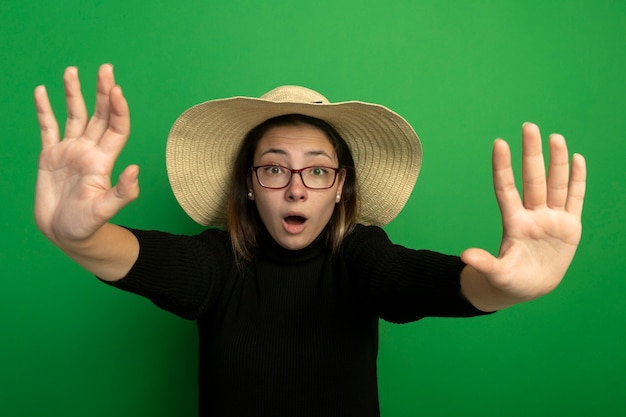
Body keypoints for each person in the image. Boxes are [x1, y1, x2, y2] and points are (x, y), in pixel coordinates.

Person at [34, 64, 587, 417]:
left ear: (340, 185)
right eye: (274, 170)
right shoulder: (216, 262)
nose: (296, 190)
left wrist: (504, 289)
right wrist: (77, 238)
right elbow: (140, 257)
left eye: (317, 171)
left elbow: (410, 281)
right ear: (250, 186)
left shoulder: (360, 255)